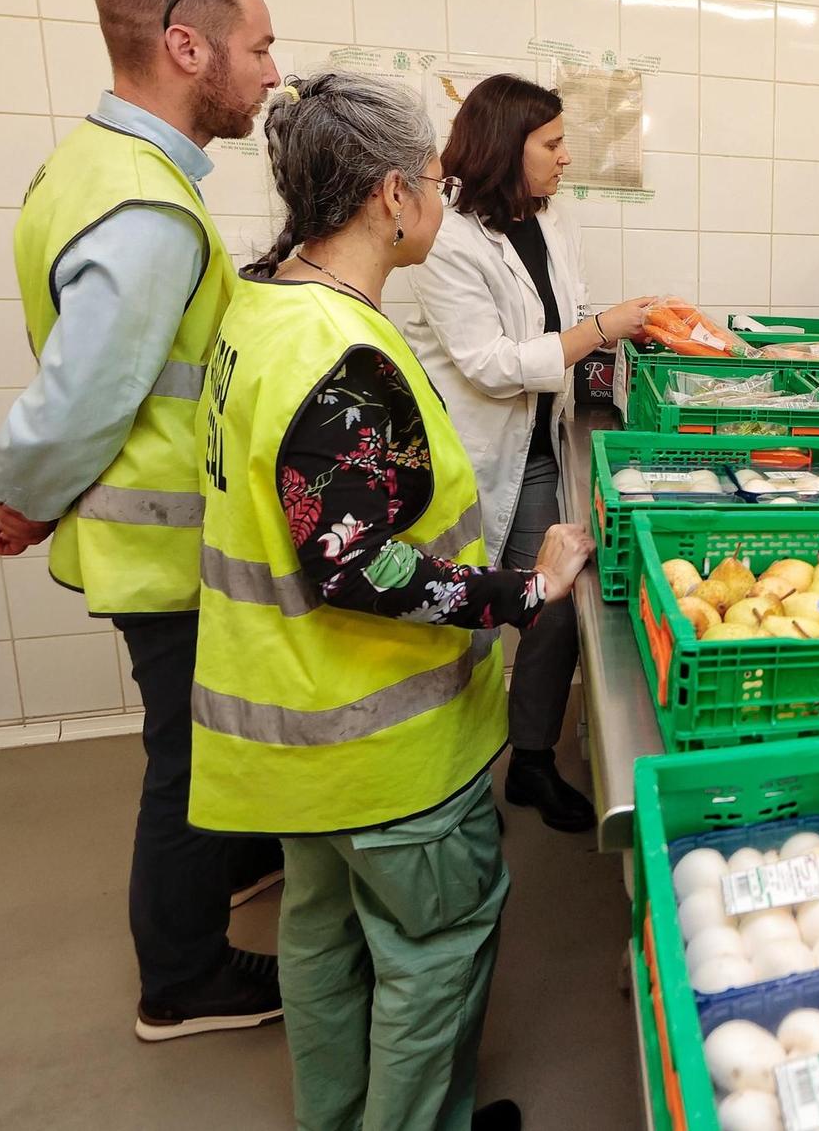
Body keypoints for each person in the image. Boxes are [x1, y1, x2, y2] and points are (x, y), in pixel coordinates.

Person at [192, 71, 595, 1131]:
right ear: (386, 196)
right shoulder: (346, 360)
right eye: (427, 178)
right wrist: (525, 586)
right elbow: (356, 565)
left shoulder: (262, 306)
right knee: (432, 950)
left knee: (323, 945)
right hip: (380, 744)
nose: (437, 194)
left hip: (286, 737)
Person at [0, 0, 284, 1042]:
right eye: (259, 46)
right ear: (186, 46)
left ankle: (234, 868)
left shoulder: (92, 164)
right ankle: (183, 979)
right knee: (185, 753)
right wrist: (19, 496)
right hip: (164, 544)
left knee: (198, 739)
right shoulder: (146, 208)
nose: (272, 72)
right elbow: (80, 397)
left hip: (156, 537)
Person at [404, 74, 652, 833]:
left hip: (539, 445)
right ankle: (450, 787)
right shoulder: (445, 236)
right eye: (551, 143)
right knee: (465, 621)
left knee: (559, 607)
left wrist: (617, 338)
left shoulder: (547, 218)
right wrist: (604, 327)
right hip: (469, 457)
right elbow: (490, 362)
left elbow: (567, 313)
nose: (566, 157)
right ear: (506, 148)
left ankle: (533, 761)